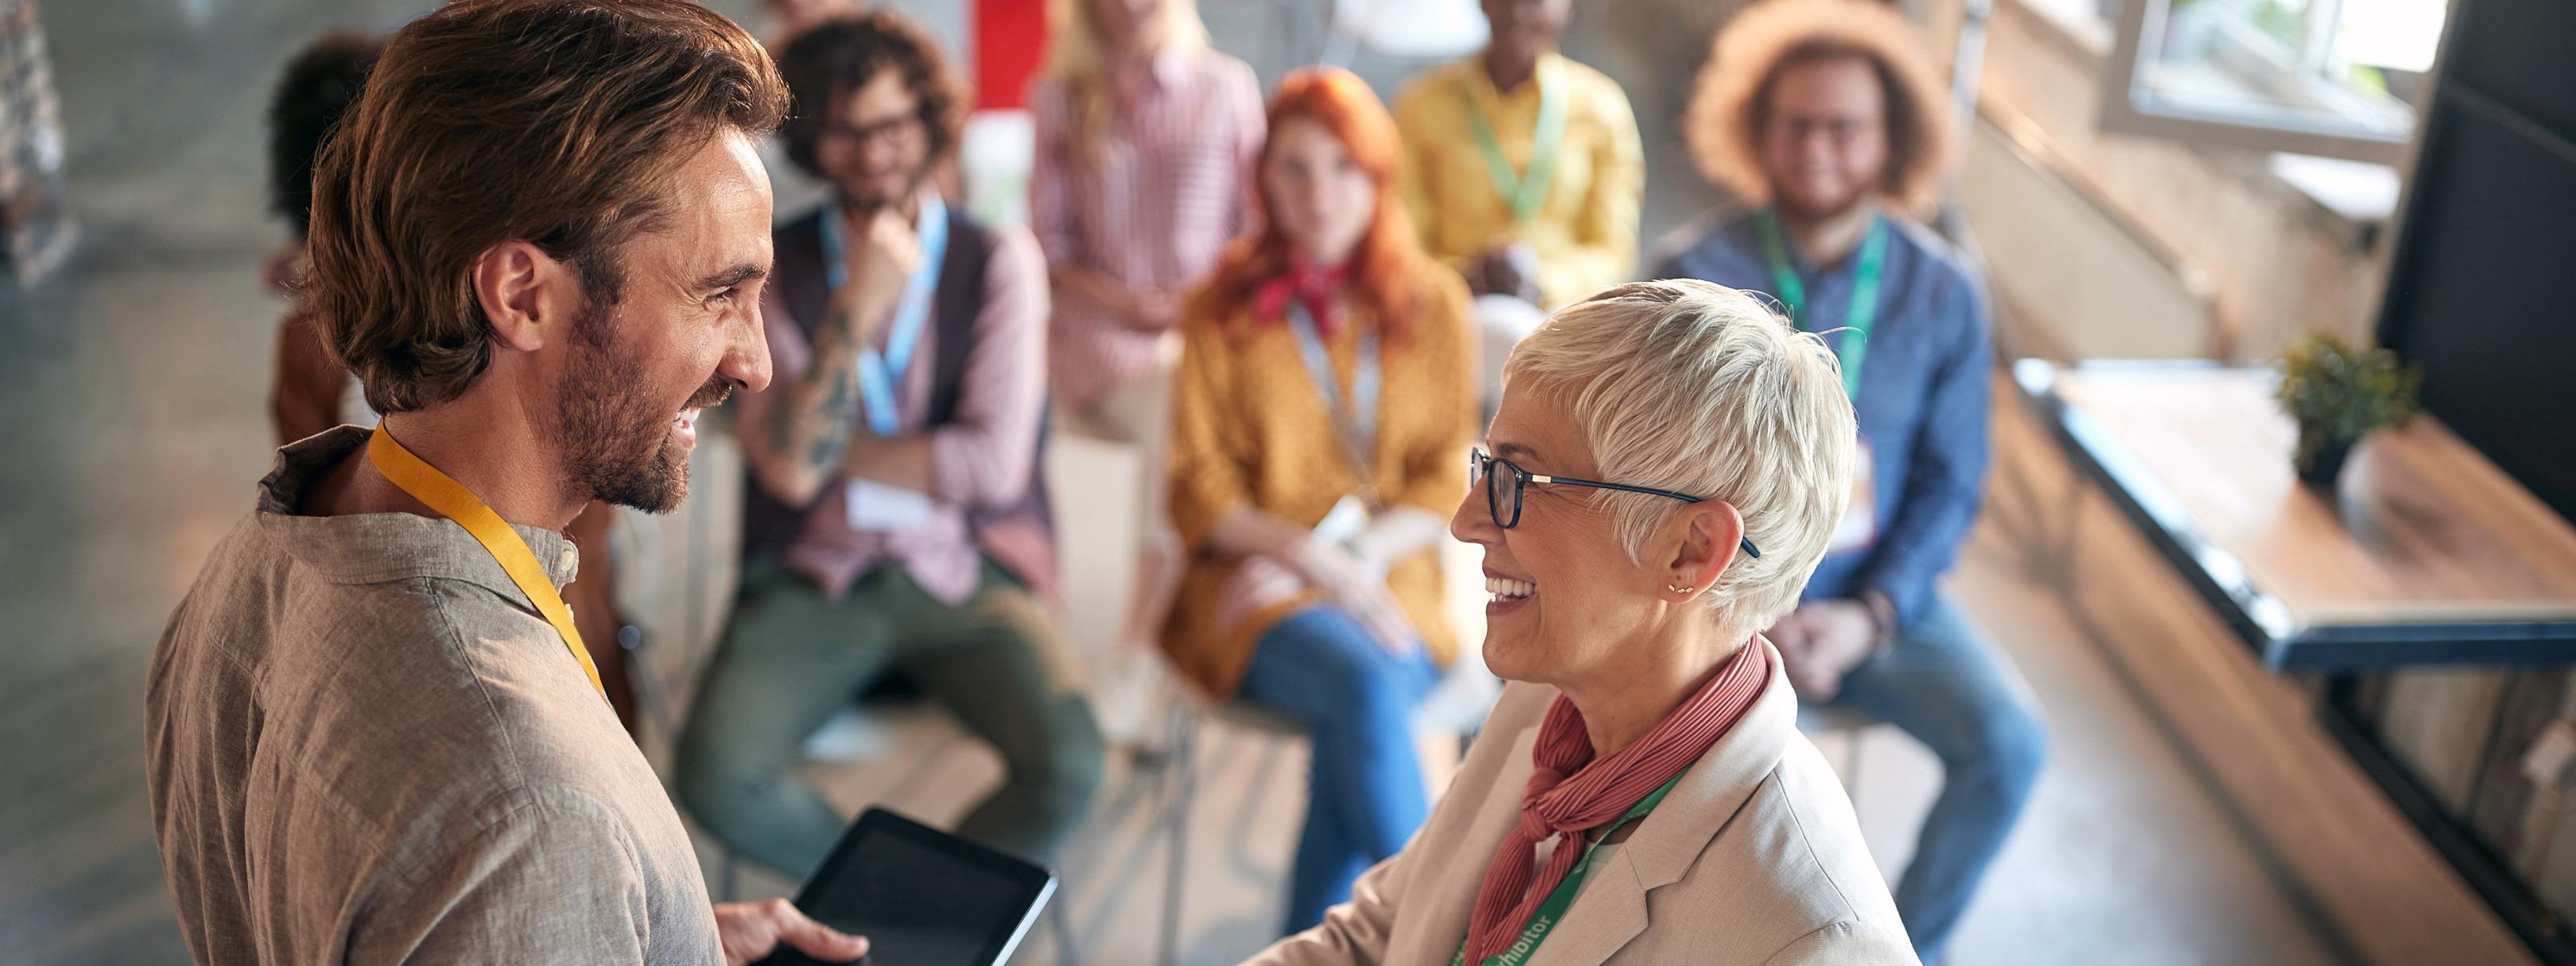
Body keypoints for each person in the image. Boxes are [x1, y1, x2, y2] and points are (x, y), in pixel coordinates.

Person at [147, 2, 867, 963]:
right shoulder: (534, 817)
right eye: (719, 293)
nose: (755, 362)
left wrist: (645, 935)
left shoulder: (252, 565)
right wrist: (561, 900)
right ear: (523, 294)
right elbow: (513, 856)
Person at [1244, 279, 1917, 966]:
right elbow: (1376, 940)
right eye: (1486, 467)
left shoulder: (1814, 938)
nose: (1467, 521)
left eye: (1517, 481)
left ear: (1691, 550)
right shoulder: (1552, 696)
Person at [1651, 1, 2046, 960]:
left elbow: (1951, 486)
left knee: (2009, 744)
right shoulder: (1689, 275)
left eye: (1843, 127)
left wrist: (1869, 615)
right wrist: (1751, 610)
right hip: (1717, 602)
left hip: (1872, 604)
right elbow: (1652, 480)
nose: (1816, 148)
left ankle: (1898, 948)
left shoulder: (1942, 289)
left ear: (1889, 138)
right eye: (1794, 123)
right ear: (1756, 129)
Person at [675, 9, 1104, 879]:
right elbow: (792, 474)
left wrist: (833, 441)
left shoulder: (996, 261)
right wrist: (857, 308)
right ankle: (893, 908)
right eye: (842, 131)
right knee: (716, 774)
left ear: (929, 121)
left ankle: (912, 918)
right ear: (810, 142)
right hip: (814, 571)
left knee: (1069, 765)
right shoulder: (772, 262)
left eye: (892, 125)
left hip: (963, 566)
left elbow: (991, 467)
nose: (872, 151)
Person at [256, 31, 648, 736]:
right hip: (550, 648)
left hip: (408, 658)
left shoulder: (308, 343)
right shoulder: (528, 316)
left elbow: (307, 523)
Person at [1165, 67, 1478, 934]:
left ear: (1378, 174)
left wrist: (1352, 563)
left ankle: (1311, 947)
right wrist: (1305, 560)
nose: (1318, 194)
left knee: (1359, 700)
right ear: (1262, 177)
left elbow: (1440, 473)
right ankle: (1439, 933)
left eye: (1343, 167)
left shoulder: (1434, 303)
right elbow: (1198, 485)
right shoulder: (1219, 304)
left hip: (1390, 580)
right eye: (1294, 168)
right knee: (1362, 685)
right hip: (1254, 582)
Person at [1030, 0, 1264, 736]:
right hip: (1100, 334)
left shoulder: (1226, 87)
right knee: (1178, 404)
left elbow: (1255, 229)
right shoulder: (1060, 96)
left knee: (1191, 395)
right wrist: (1129, 302)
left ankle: (1151, 643)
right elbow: (1050, 245)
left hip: (1203, 328)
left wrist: (1193, 302)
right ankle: (1143, 650)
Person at [1390, 0, 1642, 404]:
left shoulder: (1602, 110)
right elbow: (1400, 241)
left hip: (1566, 335)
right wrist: (1462, 280)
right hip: (1443, 325)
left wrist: (1541, 282)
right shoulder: (1422, 104)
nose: (1519, 12)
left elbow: (1613, 249)